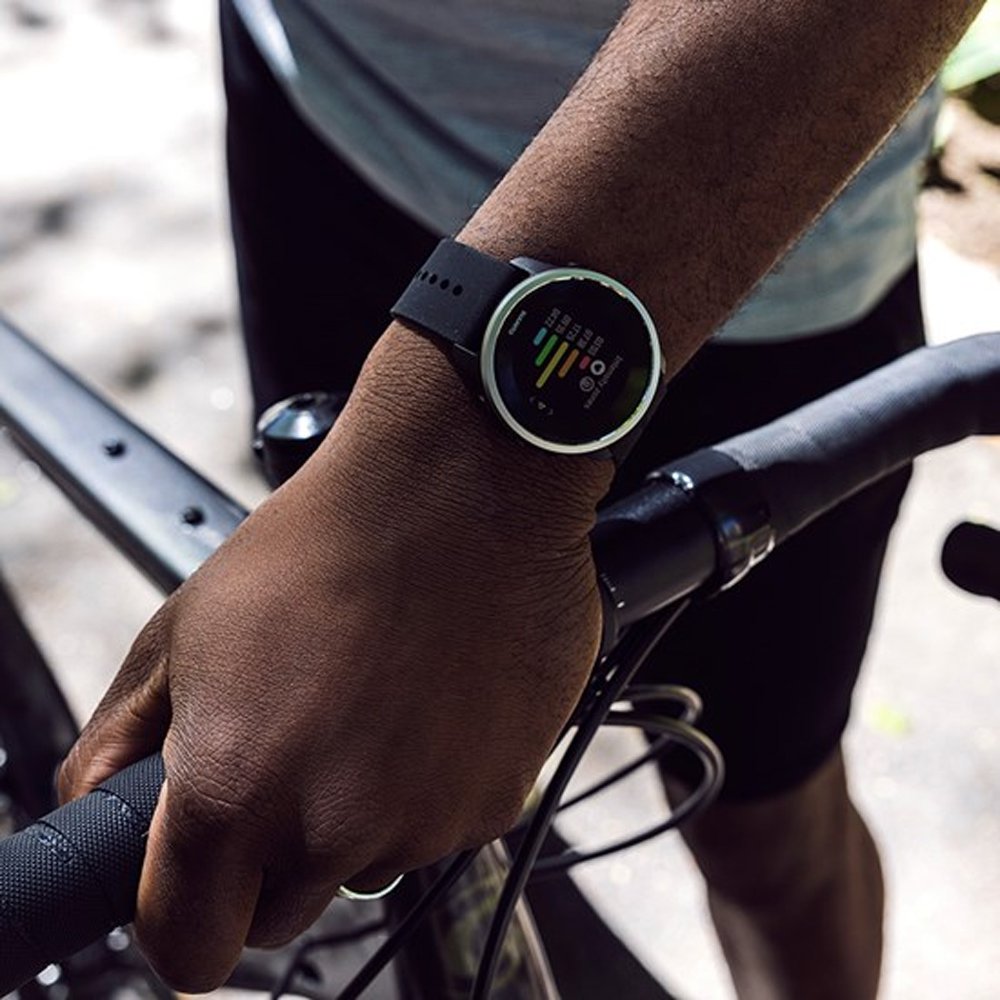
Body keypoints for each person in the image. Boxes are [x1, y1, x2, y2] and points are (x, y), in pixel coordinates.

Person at [58, 2, 985, 996]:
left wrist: (459, 454)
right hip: (325, 106)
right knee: (371, 740)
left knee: (764, 814)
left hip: (756, 225)